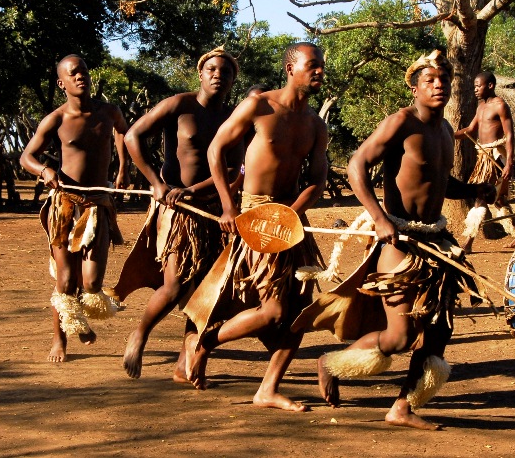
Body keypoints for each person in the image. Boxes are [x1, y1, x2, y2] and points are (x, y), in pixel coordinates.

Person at [293, 50, 495, 430]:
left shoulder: (446, 131)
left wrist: (473, 188)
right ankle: (331, 364)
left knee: (439, 329)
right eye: (430, 80)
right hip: (398, 239)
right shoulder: (401, 122)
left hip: (436, 239)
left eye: (444, 80)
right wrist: (379, 218)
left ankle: (402, 407)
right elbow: (356, 165)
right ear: (415, 87)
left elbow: (439, 181)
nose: (439, 86)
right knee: (401, 335)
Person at [185, 42, 329, 411]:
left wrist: (291, 214)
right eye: (311, 65)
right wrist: (229, 207)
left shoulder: (315, 124)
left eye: (321, 66)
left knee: (298, 312)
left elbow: (316, 180)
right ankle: (205, 340)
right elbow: (216, 150)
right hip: (254, 213)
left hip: (290, 219)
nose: (319, 72)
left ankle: (267, 389)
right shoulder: (259, 106)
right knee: (274, 311)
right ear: (289, 68)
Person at [117, 46, 243, 380]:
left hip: (213, 211)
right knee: (173, 285)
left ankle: (182, 363)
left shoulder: (234, 117)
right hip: (176, 209)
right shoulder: (180, 105)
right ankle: (140, 334)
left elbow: (232, 171)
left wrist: (197, 190)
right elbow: (132, 136)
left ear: (233, 81)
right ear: (200, 74)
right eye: (212, 70)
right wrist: (156, 182)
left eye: (226, 72)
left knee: (203, 290)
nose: (218, 76)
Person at [20, 54, 130, 363]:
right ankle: (60, 339)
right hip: (65, 206)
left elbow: (124, 132)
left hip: (98, 205)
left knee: (92, 282)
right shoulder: (56, 119)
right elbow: (26, 157)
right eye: (72, 73)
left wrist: (122, 166)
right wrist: (45, 172)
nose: (79, 76)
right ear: (62, 83)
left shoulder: (109, 112)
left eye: (83, 70)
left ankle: (77, 317)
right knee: (66, 281)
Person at [454, 71, 515, 252]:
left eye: (478, 86)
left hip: (495, 157)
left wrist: (509, 163)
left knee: (481, 197)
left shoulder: (500, 105)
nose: (476, 90)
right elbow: (471, 130)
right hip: (483, 156)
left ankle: (469, 242)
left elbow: (510, 135)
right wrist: (450, 134)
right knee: (498, 200)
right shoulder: (480, 108)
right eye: (474, 87)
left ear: (490, 86)